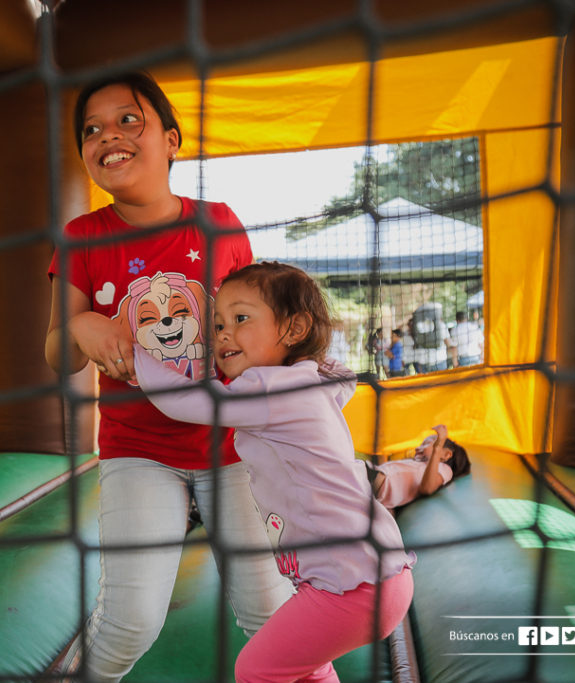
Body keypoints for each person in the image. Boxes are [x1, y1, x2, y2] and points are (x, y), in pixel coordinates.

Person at [44, 71, 292, 681]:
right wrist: (82, 328)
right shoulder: (81, 237)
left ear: (173, 140)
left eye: (130, 119)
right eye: (92, 129)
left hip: (230, 448)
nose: (110, 136)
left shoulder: (219, 222)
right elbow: (56, 353)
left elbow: (251, 324)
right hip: (138, 451)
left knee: (270, 608)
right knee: (131, 616)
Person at [132, 262, 415, 682]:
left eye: (241, 319)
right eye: (219, 323)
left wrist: (137, 349)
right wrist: (299, 347)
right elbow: (341, 374)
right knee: (307, 666)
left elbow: (183, 402)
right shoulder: (309, 380)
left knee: (256, 669)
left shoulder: (268, 387)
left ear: (294, 328)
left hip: (352, 583)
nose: (223, 333)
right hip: (379, 575)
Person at [365, 424, 471, 509]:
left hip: (373, 482)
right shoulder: (418, 463)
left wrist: (437, 448)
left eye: (426, 444)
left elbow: (427, 488)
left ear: (446, 454)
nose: (417, 448)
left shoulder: (444, 469)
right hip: (373, 479)